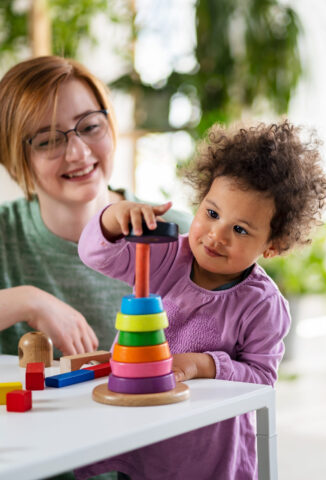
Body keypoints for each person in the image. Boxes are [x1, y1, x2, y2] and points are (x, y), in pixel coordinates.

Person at [76, 120, 326, 480]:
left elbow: (260, 380)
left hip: (206, 450)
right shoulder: (165, 256)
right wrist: (112, 221)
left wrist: (204, 365)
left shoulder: (263, 305)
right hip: (141, 428)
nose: (216, 235)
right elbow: (96, 255)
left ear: (272, 246)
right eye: (211, 213)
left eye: (240, 229)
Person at [0, 56, 191, 358]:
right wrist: (28, 301)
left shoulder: (179, 234)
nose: (78, 152)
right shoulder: (5, 235)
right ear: (13, 158)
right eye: (48, 141)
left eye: (89, 126)